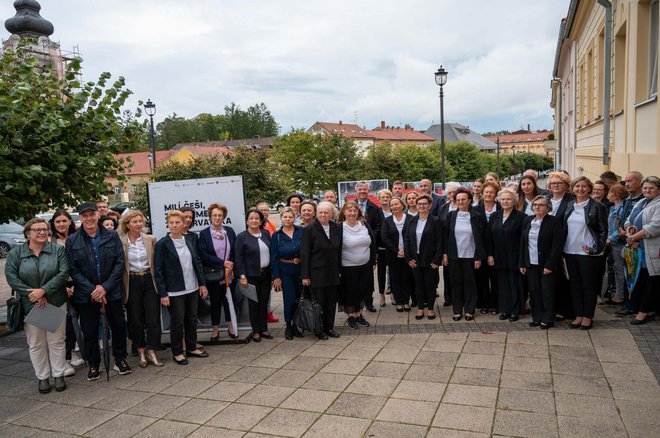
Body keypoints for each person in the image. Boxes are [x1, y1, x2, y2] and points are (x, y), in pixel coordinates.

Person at [65, 202, 130, 380]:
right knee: (90, 330)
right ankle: (93, 364)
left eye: (91, 214)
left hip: (112, 291)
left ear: (97, 215)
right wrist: (93, 289)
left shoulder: (111, 236)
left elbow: (119, 263)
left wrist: (104, 287)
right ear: (80, 217)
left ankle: (120, 359)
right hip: (86, 295)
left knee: (118, 326)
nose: (89, 218)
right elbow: (73, 270)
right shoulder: (72, 240)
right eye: (84, 215)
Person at [5, 218, 69, 394]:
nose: (42, 232)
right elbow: (11, 277)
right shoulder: (16, 254)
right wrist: (33, 294)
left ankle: (58, 374)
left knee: (56, 341)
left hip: (55, 301)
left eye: (44, 229)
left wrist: (44, 291)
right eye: (37, 230)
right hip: (30, 304)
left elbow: (63, 273)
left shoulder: (57, 250)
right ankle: (42, 377)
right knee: (36, 343)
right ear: (27, 233)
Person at [154, 210, 209, 365]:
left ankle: (191, 347)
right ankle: (177, 352)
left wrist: (202, 284)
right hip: (174, 290)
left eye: (177, 222)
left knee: (191, 319)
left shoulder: (189, 240)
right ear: (168, 224)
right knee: (177, 322)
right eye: (171, 223)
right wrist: (163, 293)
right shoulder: (162, 244)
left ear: (184, 223)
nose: (174, 225)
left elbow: (197, 262)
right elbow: (158, 270)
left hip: (192, 287)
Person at [562, 177, 608, 330]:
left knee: (588, 286)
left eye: (583, 186)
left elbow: (603, 230)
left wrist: (596, 249)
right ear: (572, 188)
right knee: (575, 285)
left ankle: (588, 316)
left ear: (589, 189)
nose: (580, 189)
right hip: (570, 251)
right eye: (577, 186)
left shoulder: (597, 206)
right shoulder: (570, 205)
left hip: (589, 254)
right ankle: (578, 315)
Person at [119, 210, 163, 368]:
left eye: (140, 221)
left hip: (149, 280)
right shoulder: (121, 241)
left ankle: (153, 351)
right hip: (131, 281)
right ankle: (141, 352)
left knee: (153, 318)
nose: (138, 224)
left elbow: (157, 263)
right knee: (135, 319)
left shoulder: (151, 239)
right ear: (127, 224)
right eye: (135, 221)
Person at [520, 196, 564, 329]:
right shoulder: (528, 220)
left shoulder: (553, 221)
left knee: (547, 291)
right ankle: (537, 317)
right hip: (531, 263)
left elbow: (557, 244)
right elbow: (523, 243)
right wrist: (522, 262)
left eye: (541, 205)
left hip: (546, 264)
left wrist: (550, 264)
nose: (537, 207)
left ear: (548, 208)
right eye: (535, 205)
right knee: (534, 291)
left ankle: (548, 318)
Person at [301, 201, 342, 340]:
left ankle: (329, 327)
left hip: (333, 272)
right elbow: (305, 254)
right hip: (316, 273)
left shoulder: (336, 227)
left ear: (331, 213)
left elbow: (339, 251)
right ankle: (319, 330)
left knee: (331, 302)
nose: (323, 215)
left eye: (326, 212)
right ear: (316, 213)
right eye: (320, 212)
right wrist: (305, 276)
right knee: (319, 303)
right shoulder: (309, 229)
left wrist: (340, 270)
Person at [444, 188, 487, 321]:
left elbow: (482, 238)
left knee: (470, 283)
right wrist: (445, 254)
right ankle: (457, 310)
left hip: (471, 255)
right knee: (456, 283)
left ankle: (469, 310)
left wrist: (479, 256)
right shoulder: (451, 216)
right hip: (454, 255)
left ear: (469, 201)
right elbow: (446, 236)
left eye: (463, 199)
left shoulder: (477, 216)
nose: (461, 202)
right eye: (458, 200)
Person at [49, 210, 83, 373]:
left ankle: (74, 353)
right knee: (64, 324)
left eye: (64, 220)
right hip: (58, 287)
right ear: (53, 224)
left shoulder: (78, 238)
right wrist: (63, 287)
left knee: (79, 322)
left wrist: (77, 283)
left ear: (70, 221)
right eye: (58, 221)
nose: (62, 224)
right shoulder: (50, 242)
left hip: (79, 283)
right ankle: (65, 359)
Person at [198, 203, 238, 342]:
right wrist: (222, 264)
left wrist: (230, 264)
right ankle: (215, 329)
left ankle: (231, 326)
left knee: (229, 301)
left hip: (229, 274)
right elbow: (203, 254)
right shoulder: (204, 234)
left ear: (224, 217)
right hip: (214, 275)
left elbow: (235, 250)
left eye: (220, 215)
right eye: (214, 215)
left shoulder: (230, 231)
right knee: (215, 302)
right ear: (210, 217)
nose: (217, 217)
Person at [624, 176, 660, 324]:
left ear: (658, 190)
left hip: (651, 249)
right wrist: (629, 233)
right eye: (645, 188)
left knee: (650, 281)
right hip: (637, 247)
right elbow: (628, 220)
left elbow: (655, 226)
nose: (647, 190)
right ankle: (646, 308)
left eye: (651, 188)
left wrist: (633, 238)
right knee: (640, 279)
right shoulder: (641, 202)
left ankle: (643, 312)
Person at [235, 208, 273, 342]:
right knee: (253, 304)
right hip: (250, 276)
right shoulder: (241, 237)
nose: (254, 221)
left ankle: (264, 328)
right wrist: (242, 276)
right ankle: (255, 330)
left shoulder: (266, 233)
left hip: (266, 274)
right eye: (251, 218)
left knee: (264, 303)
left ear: (261, 220)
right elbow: (238, 259)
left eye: (257, 218)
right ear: (247, 221)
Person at [487, 188, 525, 321]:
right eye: (503, 199)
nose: (505, 201)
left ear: (514, 200)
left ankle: (515, 310)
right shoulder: (494, 216)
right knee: (502, 284)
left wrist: (522, 260)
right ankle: (505, 309)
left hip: (514, 256)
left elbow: (523, 240)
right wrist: (490, 255)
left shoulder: (521, 217)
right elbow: (489, 237)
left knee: (514, 284)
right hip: (498, 256)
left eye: (508, 199)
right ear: (499, 200)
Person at [338, 201, 377, 329]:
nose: (352, 213)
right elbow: (336, 249)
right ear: (344, 212)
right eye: (349, 210)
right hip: (347, 267)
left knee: (362, 291)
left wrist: (372, 261)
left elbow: (373, 243)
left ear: (358, 212)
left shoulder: (364, 224)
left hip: (365, 266)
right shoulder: (339, 228)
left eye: (355, 210)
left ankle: (359, 314)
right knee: (350, 292)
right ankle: (351, 317)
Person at [404, 194, 443, 320]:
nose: (421, 206)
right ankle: (420, 308)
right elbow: (407, 240)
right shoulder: (411, 221)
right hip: (415, 259)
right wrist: (408, 258)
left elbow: (439, 242)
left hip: (430, 260)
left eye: (424, 204)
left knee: (430, 285)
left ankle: (431, 309)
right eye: (419, 204)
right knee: (418, 285)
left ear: (429, 205)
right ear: (416, 205)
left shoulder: (435, 221)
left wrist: (437, 259)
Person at [271, 207, 304, 340]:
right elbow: (274, 258)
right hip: (285, 271)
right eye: (285, 217)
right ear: (281, 218)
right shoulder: (277, 236)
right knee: (289, 299)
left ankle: (296, 324)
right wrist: (276, 277)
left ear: (294, 217)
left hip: (300, 270)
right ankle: (289, 325)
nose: (288, 219)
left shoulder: (301, 231)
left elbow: (307, 249)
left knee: (299, 299)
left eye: (290, 217)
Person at [615, 171, 645, 317]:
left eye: (630, 181)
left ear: (640, 182)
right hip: (625, 240)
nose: (626, 184)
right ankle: (629, 303)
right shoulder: (628, 199)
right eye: (625, 181)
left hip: (638, 244)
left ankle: (635, 305)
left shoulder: (645, 200)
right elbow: (623, 218)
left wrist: (633, 238)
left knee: (636, 275)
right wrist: (622, 229)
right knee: (627, 274)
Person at [355, 181, 382, 312]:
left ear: (368, 191)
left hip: (369, 245)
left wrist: (369, 235)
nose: (362, 191)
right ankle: (357, 302)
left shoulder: (374, 207)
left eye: (364, 189)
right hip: (353, 247)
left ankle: (369, 302)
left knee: (368, 277)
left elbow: (378, 226)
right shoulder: (350, 206)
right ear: (356, 191)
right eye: (360, 189)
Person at [382, 197, 414, 311]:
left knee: (407, 278)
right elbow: (384, 237)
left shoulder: (411, 219)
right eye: (392, 205)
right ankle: (399, 301)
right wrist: (397, 250)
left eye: (396, 204)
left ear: (402, 205)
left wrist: (406, 250)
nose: (394, 207)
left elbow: (413, 236)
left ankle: (406, 301)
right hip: (393, 255)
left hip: (408, 254)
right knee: (395, 279)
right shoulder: (387, 220)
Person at [437, 182, 461, 307]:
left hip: (461, 244)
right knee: (447, 272)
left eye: (455, 192)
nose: (452, 194)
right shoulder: (443, 207)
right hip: (446, 244)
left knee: (460, 273)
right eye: (450, 192)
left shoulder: (464, 206)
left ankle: (460, 298)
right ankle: (448, 297)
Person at [605, 184, 629, 304]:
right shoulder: (613, 207)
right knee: (615, 268)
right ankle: (618, 293)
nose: (608, 195)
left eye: (610, 193)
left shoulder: (621, 208)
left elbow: (619, 227)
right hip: (613, 241)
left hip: (618, 242)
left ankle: (620, 295)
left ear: (616, 195)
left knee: (619, 268)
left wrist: (610, 238)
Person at [376, 189, 393, 306]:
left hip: (393, 248)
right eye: (383, 197)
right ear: (379, 199)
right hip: (381, 247)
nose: (385, 199)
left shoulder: (395, 211)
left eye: (387, 197)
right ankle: (381, 295)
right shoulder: (376, 212)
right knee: (381, 273)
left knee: (393, 272)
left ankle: (393, 294)